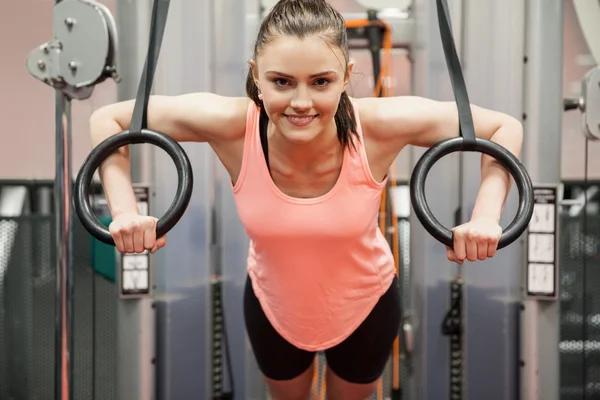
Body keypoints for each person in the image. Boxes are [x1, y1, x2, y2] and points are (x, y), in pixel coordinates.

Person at [88, 0, 523, 398]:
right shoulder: (232, 125)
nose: (301, 102)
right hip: (273, 308)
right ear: (256, 74)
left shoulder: (378, 126)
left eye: (320, 82)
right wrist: (124, 211)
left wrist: (486, 216)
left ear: (347, 78)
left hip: (365, 306)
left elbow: (503, 128)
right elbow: (109, 119)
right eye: (281, 81)